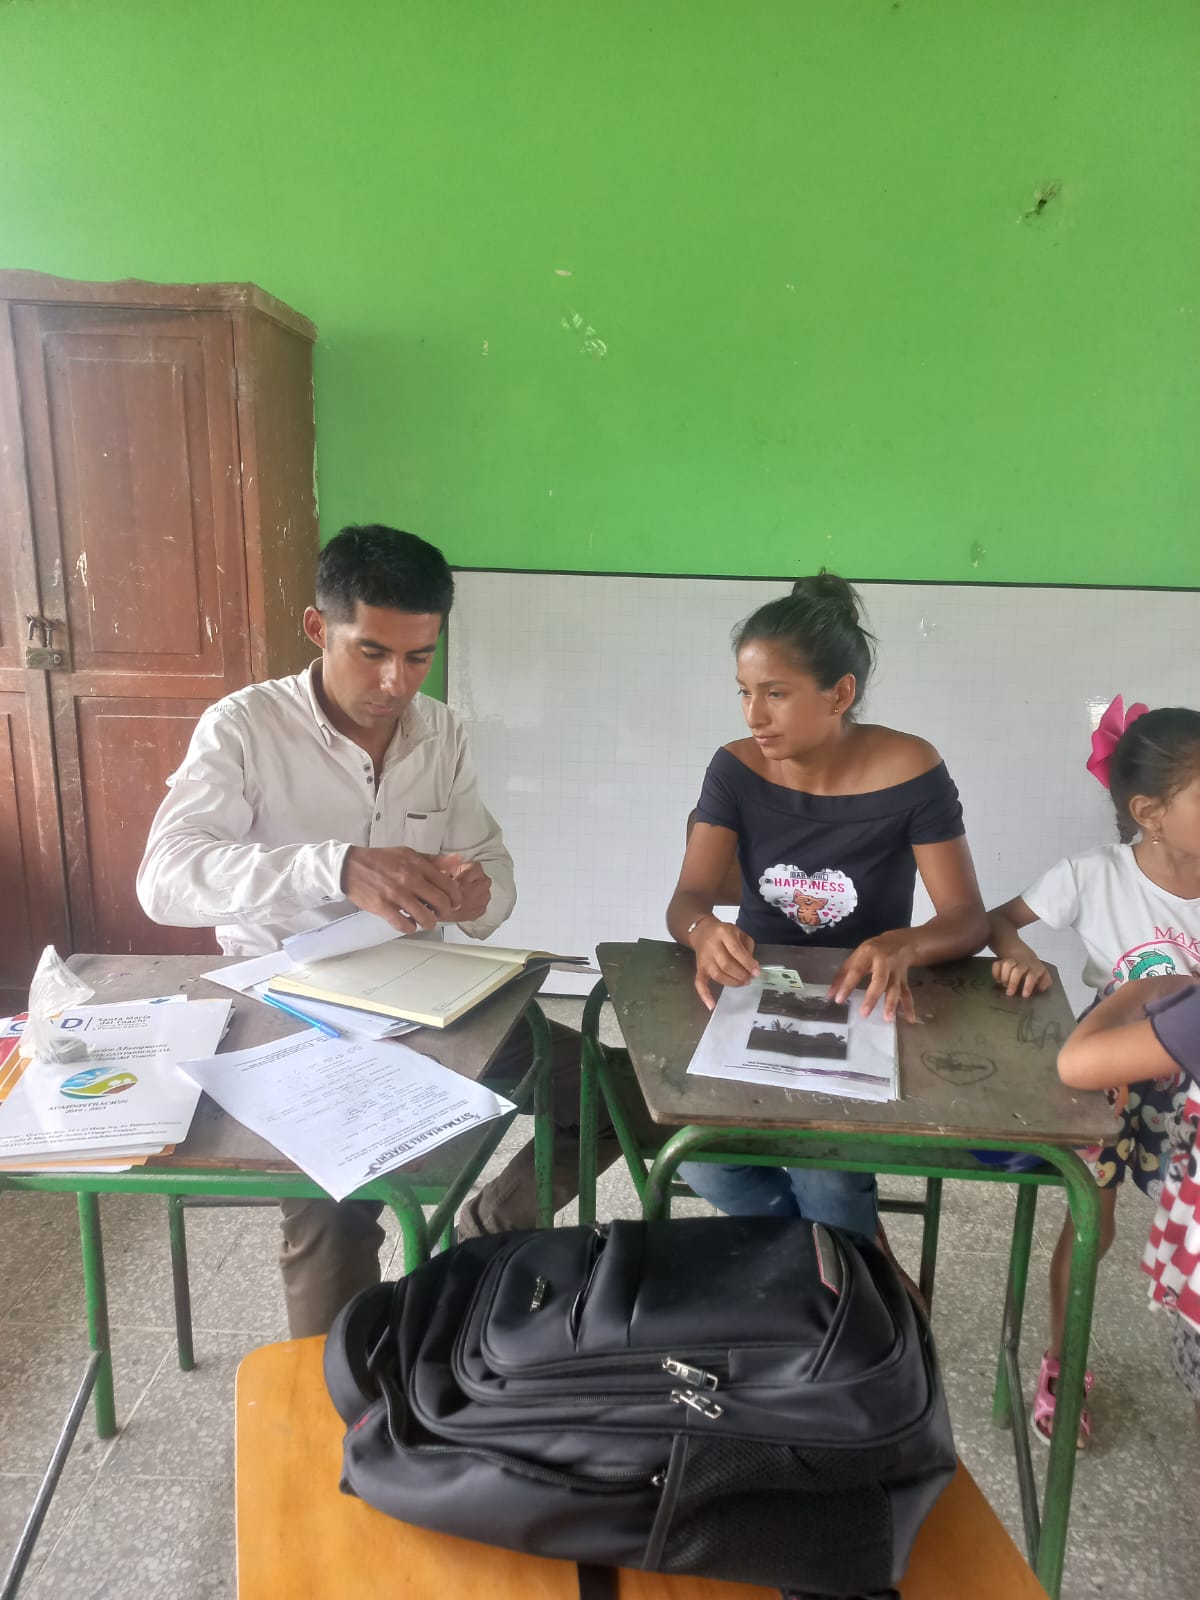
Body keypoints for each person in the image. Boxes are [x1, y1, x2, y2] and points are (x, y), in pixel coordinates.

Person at [137, 524, 619, 1336]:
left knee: (615, 1098)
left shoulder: (442, 732)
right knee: (336, 1202)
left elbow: (491, 868)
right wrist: (335, 866)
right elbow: (165, 878)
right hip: (284, 1005)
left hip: (425, 999)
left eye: (419, 656)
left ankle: (478, 1246)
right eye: (373, 652)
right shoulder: (244, 727)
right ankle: (344, 1392)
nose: (396, 682)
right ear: (318, 628)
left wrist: (476, 897)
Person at [665, 573, 989, 1241]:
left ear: (839, 694)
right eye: (745, 692)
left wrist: (904, 942)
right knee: (703, 1160)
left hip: (864, 1000)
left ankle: (840, 1277)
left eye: (776, 694)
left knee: (826, 1173)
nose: (754, 716)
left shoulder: (911, 768)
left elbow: (966, 919)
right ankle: (827, 1259)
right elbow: (688, 898)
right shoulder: (735, 768)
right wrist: (702, 932)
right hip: (756, 989)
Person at [987, 699, 1200, 1446]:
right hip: (1112, 1077)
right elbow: (1000, 921)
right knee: (1092, 1226)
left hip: (1194, 1095)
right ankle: (1063, 1360)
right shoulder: (1094, 875)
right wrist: (1021, 957)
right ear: (1150, 813)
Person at [1057, 973, 1200, 1426]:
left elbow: (1076, 1062)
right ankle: (1061, 1365)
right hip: (1123, 1049)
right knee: (1092, 1225)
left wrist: (1147, 989)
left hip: (1155, 1046)